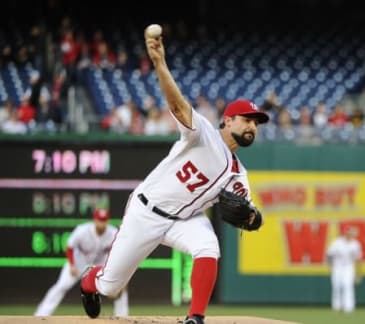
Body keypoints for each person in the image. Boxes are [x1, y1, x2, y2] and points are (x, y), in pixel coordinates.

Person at [79, 26, 269, 324]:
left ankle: (196, 317)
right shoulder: (203, 133)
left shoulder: (238, 173)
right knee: (111, 287)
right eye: (247, 120)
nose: (252, 127)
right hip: (146, 212)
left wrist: (254, 218)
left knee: (208, 245)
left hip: (185, 219)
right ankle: (90, 280)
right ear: (228, 120)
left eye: (257, 124)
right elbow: (177, 104)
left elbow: (249, 211)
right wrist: (159, 63)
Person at [34, 209, 128, 317]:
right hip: (79, 264)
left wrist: (116, 272)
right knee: (61, 286)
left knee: (119, 286)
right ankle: (40, 315)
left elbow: (118, 253)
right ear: (95, 220)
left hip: (97, 268)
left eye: (104, 220)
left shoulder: (112, 233)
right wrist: (72, 265)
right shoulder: (82, 230)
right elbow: (69, 247)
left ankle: (122, 316)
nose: (101, 223)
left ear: (107, 221)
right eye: (99, 220)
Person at [326, 227, 362, 313]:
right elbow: (329, 255)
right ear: (346, 233)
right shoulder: (337, 242)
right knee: (336, 286)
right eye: (350, 232)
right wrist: (330, 266)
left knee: (348, 285)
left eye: (353, 233)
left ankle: (348, 307)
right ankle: (336, 306)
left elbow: (358, 259)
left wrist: (358, 273)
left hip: (349, 267)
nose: (352, 234)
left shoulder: (355, 244)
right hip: (337, 266)